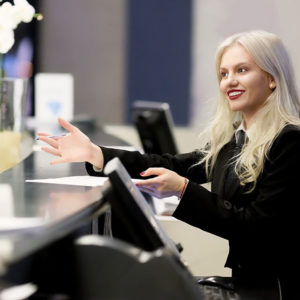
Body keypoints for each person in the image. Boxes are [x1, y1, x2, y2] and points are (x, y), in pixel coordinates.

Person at [38, 30, 300, 299]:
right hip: (252, 284)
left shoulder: (290, 141)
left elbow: (255, 229)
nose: (229, 81)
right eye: (224, 74)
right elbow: (175, 164)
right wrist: (96, 154)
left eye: (241, 70)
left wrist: (184, 190)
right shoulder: (239, 138)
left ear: (271, 78)